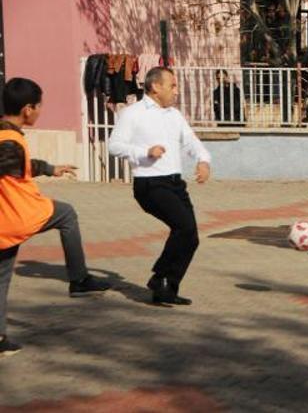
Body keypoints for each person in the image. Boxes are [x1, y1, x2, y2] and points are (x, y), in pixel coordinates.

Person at [0, 78, 111, 356]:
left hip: (6, 218)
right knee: (67, 214)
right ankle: (79, 280)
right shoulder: (10, 140)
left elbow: (20, 165)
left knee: (2, 277)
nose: (39, 111)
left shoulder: (7, 136)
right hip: (19, 213)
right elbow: (10, 165)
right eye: (39, 106)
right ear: (27, 109)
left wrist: (51, 169)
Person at [109, 67, 212, 305]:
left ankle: (166, 288)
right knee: (184, 228)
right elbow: (115, 146)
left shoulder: (174, 115)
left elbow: (191, 141)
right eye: (172, 85)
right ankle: (159, 279)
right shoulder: (133, 113)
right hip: (149, 184)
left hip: (175, 183)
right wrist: (144, 151)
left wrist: (203, 160)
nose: (176, 91)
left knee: (191, 237)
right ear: (156, 87)